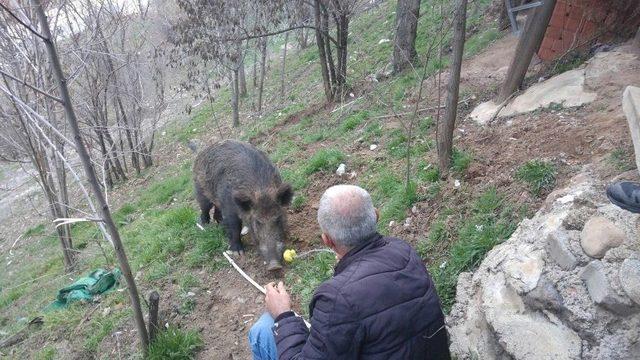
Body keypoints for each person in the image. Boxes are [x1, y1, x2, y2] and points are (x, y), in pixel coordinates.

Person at [248, 184, 450, 360]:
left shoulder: (337, 298)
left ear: (327, 241)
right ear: (376, 216)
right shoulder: (405, 251)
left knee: (264, 329)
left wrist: (283, 316)